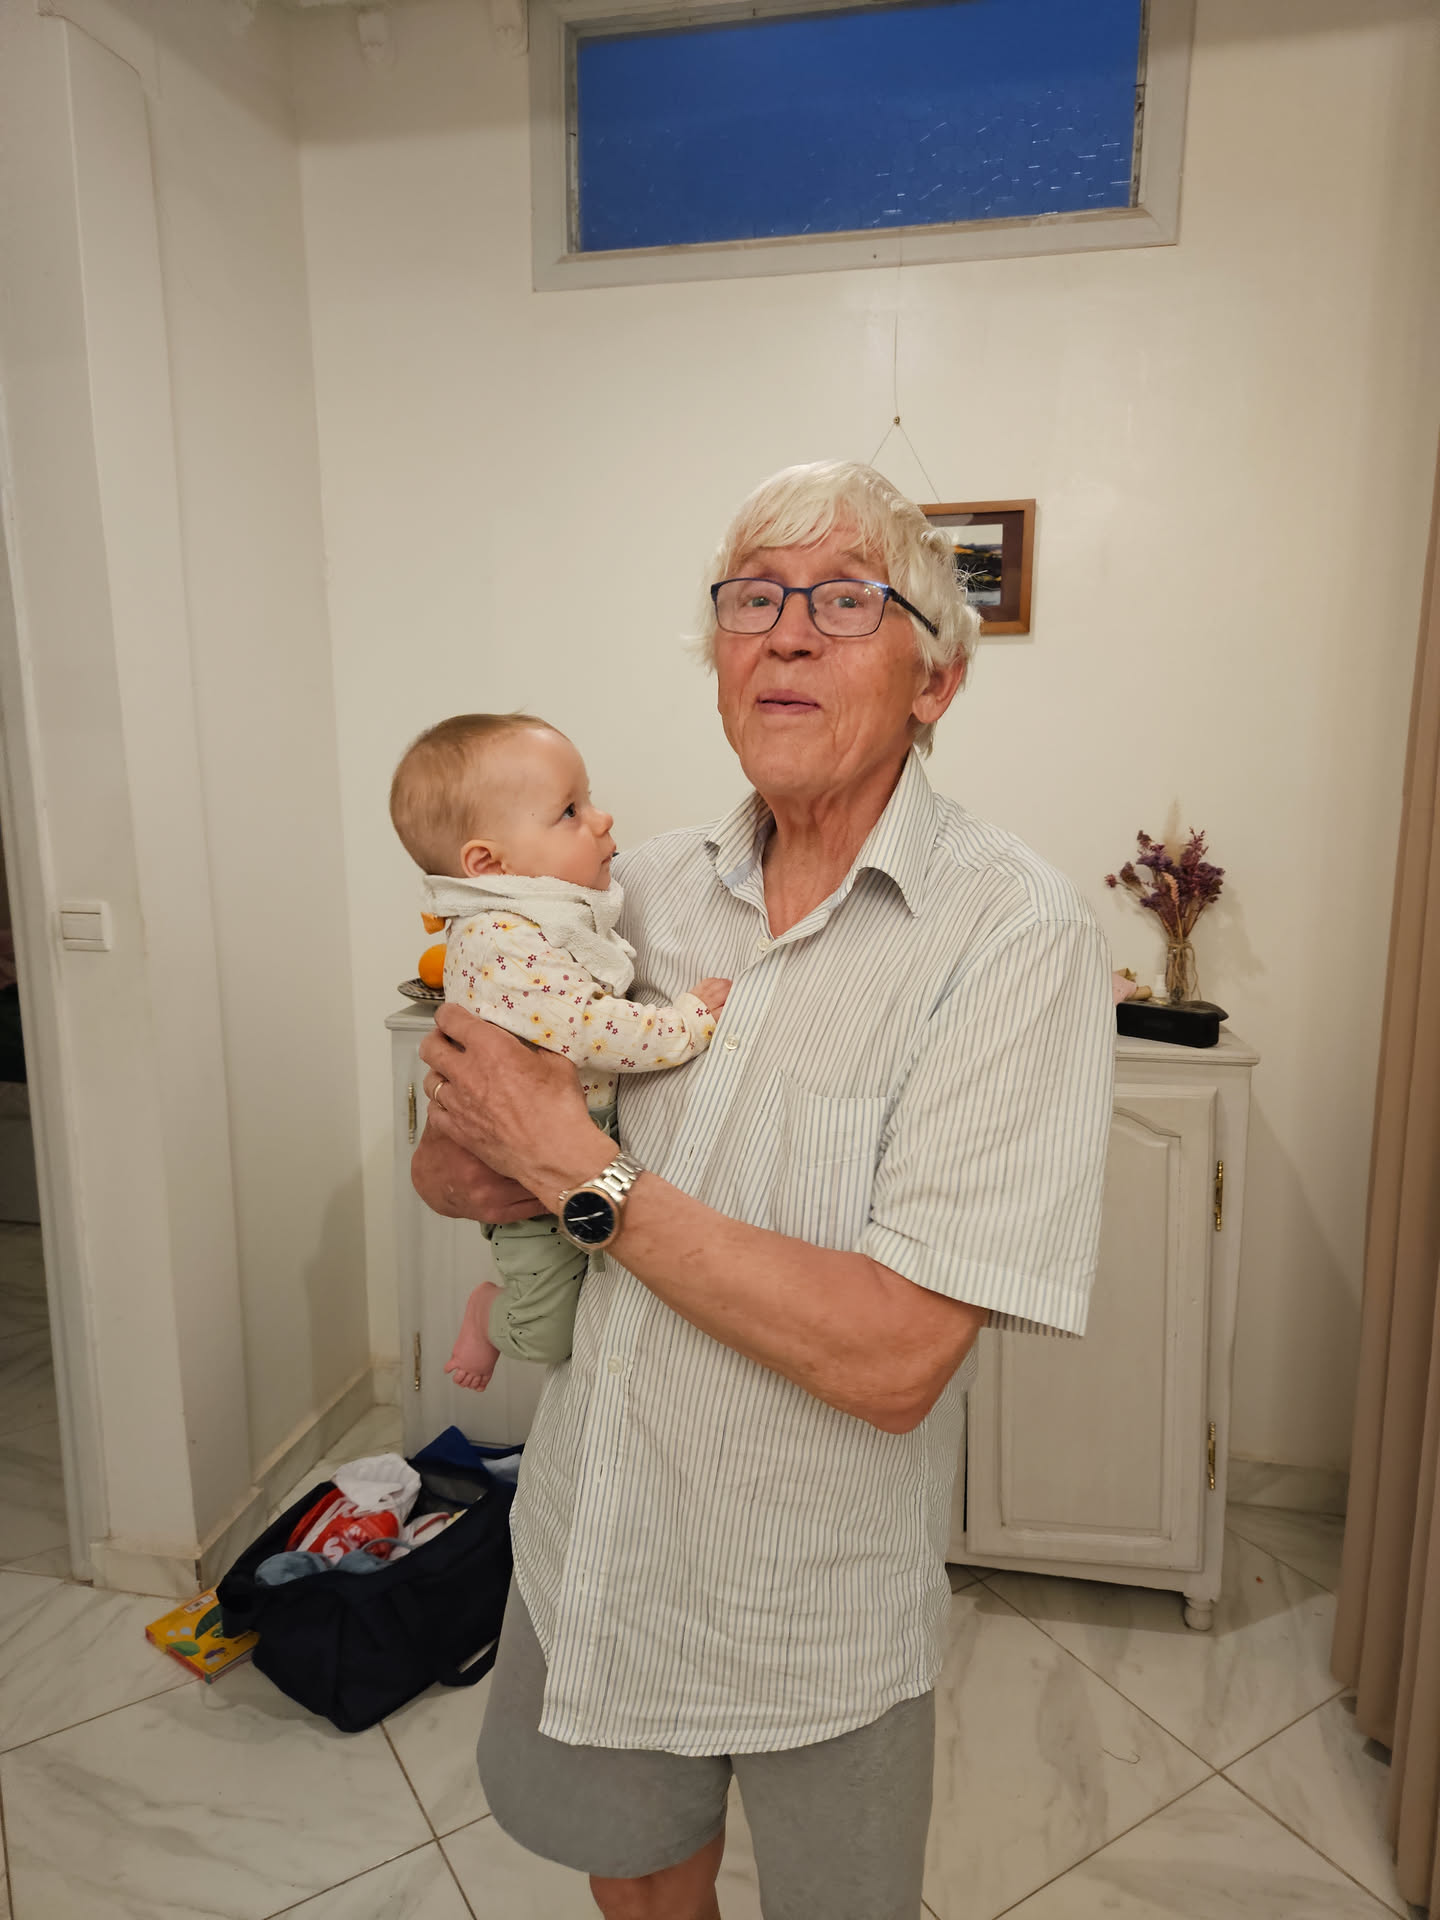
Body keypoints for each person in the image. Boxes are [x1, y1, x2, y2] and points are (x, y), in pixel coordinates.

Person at [411, 461, 1115, 1920]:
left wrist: (572, 1165)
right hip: (594, 1551)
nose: (786, 631)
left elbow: (896, 1357)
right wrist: (476, 1135)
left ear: (936, 682)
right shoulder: (632, 895)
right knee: (640, 1889)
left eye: (846, 600)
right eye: (753, 599)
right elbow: (451, 1162)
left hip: (811, 1613)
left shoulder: (1014, 936)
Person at [389, 711, 729, 1390]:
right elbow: (589, 1025)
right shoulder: (500, 938)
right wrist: (685, 1024)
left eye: (588, 800)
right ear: (489, 864)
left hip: (582, 1152)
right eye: (570, 811)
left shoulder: (548, 917)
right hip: (525, 1171)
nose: (602, 820)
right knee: (545, 1331)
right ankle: (488, 1315)